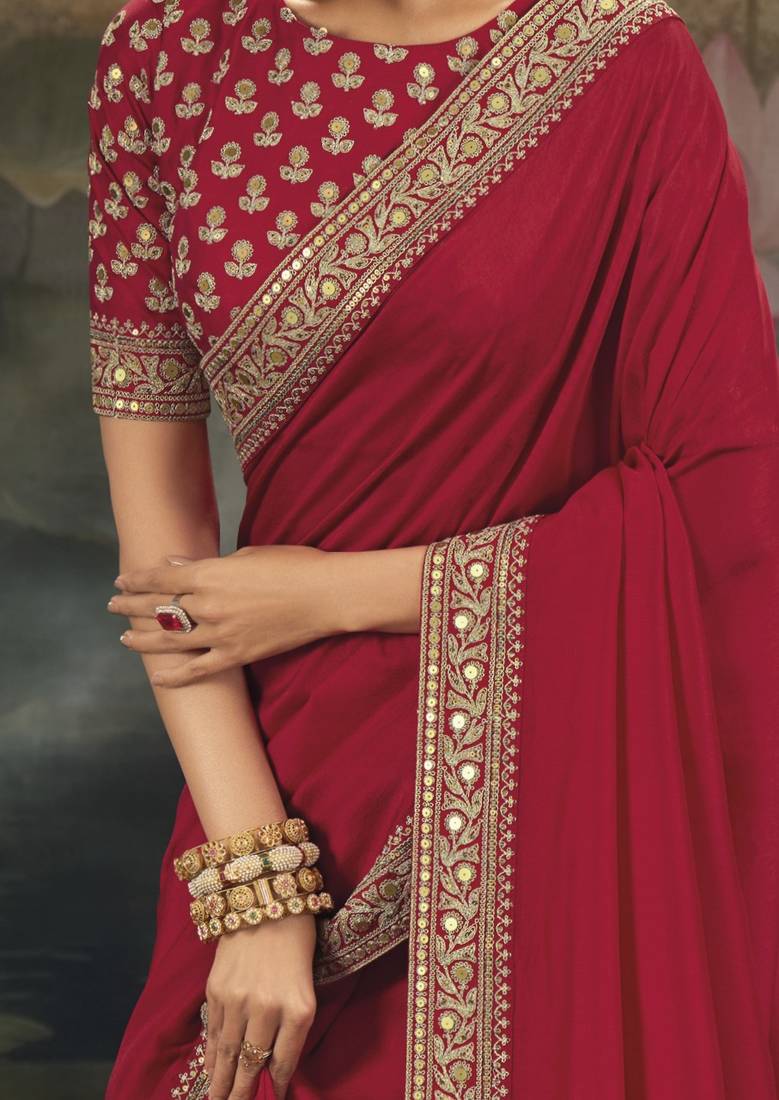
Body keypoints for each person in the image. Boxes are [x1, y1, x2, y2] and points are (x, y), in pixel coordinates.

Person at [88, 0, 779, 1097]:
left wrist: (331, 595)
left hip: (554, 788)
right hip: (279, 780)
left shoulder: (620, 64)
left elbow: (722, 504)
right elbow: (163, 565)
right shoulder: (169, 50)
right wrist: (257, 884)